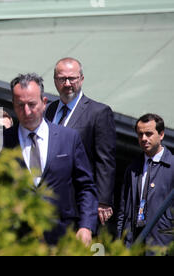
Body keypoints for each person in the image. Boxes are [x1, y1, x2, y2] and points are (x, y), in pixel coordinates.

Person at [4, 73, 98, 246]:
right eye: (20, 105)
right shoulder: (2, 141)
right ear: (13, 105)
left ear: (44, 102)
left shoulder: (68, 138)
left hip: (61, 237)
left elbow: (85, 186)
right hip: (16, 239)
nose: (27, 111)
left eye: (32, 104)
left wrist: (86, 226)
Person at [45, 57, 116, 226]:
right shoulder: (47, 111)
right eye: (62, 79)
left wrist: (103, 200)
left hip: (79, 203)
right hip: (46, 202)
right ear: (55, 81)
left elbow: (105, 160)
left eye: (72, 78)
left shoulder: (98, 112)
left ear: (81, 79)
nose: (68, 83)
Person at [117, 113, 173, 249]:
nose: (144, 139)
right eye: (140, 134)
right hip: (133, 243)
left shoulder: (171, 166)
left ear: (161, 135)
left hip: (161, 245)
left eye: (148, 134)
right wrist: (121, 241)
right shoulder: (133, 168)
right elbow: (123, 211)